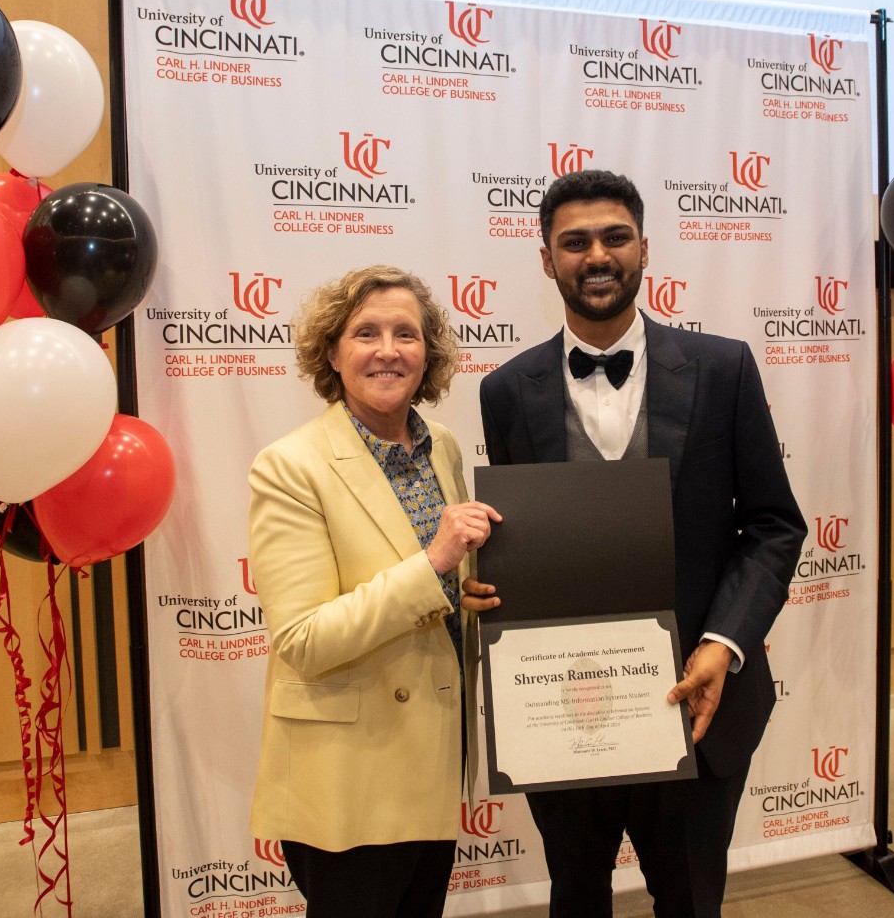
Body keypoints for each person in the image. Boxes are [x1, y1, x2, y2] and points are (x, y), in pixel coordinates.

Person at [468, 170, 806, 918]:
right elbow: (524, 542)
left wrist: (723, 643)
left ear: (645, 249)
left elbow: (775, 526)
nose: (597, 255)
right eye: (575, 242)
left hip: (697, 701)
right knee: (576, 898)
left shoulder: (724, 368)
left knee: (690, 902)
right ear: (547, 259)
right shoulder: (505, 390)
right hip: (563, 707)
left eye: (615, 237)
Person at [247, 264, 501, 918]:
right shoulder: (290, 465)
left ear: (428, 353)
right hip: (349, 779)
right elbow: (304, 639)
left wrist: (462, 594)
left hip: (434, 763)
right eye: (366, 333)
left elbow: (432, 592)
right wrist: (435, 562)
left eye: (406, 334)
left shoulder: (441, 446)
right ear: (332, 352)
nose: (388, 350)